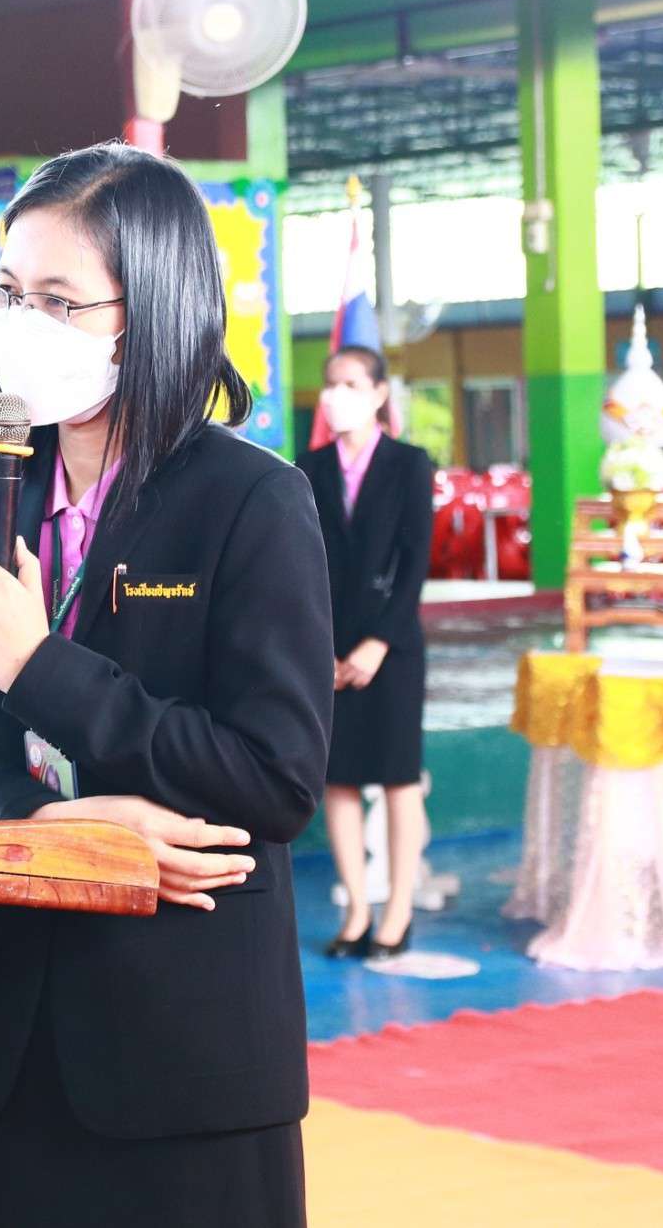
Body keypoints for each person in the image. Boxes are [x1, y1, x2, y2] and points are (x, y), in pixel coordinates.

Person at [0, 143, 333, 1226]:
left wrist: (40, 669)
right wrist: (57, 824)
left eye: (56, 299)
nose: (17, 323)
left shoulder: (250, 502)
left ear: (154, 312)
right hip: (3, 1042)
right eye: (5, 292)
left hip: (184, 1045)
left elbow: (274, 779)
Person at [298, 346, 435, 960]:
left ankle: (397, 910)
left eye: (351, 384)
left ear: (380, 394)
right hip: (328, 650)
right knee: (340, 779)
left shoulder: (409, 464)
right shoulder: (309, 468)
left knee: (399, 778)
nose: (337, 395)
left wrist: (379, 642)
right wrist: (322, 651)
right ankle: (357, 910)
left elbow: (415, 562)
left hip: (393, 646)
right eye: (331, 384)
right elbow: (302, 568)